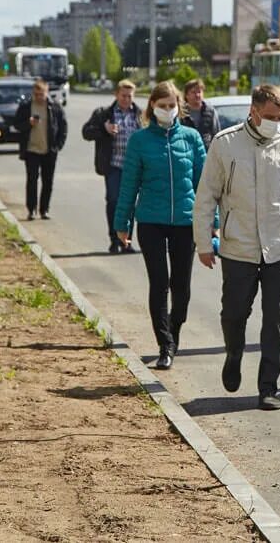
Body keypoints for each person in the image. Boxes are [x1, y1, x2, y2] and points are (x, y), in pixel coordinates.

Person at [193, 85, 280, 411]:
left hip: (279, 246)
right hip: (238, 246)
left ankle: (267, 387)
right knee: (234, 314)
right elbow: (206, 197)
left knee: (274, 318)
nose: (276, 122)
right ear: (254, 110)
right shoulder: (225, 144)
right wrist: (204, 243)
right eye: (270, 116)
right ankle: (233, 354)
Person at [113, 81, 207, 371]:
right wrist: (122, 222)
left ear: (179, 106)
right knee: (159, 283)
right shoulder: (140, 141)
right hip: (151, 221)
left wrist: (212, 223)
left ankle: (174, 334)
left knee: (182, 287)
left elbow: (205, 186)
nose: (167, 110)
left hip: (184, 221)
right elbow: (129, 184)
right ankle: (164, 344)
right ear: (152, 106)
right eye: (161, 105)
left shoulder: (191, 138)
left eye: (171, 105)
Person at [82, 80, 143, 254]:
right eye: (123, 95)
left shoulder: (139, 115)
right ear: (116, 95)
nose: (126, 99)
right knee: (114, 201)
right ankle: (114, 239)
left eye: (129, 96)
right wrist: (104, 129)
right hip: (114, 166)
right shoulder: (104, 114)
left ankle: (126, 241)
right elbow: (86, 132)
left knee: (130, 203)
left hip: (134, 168)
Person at [14, 79, 67, 220]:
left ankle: (44, 209)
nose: (39, 97)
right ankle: (31, 209)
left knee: (48, 181)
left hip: (49, 150)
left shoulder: (54, 107)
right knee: (32, 180)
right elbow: (17, 125)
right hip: (31, 150)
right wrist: (28, 123)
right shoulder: (26, 107)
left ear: (47, 92)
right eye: (36, 94)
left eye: (41, 94)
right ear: (33, 93)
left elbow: (63, 126)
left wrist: (58, 145)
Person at [180, 78, 222, 150]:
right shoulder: (181, 112)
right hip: (186, 153)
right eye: (193, 92)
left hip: (206, 154)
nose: (197, 95)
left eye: (199, 92)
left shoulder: (211, 111)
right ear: (186, 95)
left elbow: (216, 135)